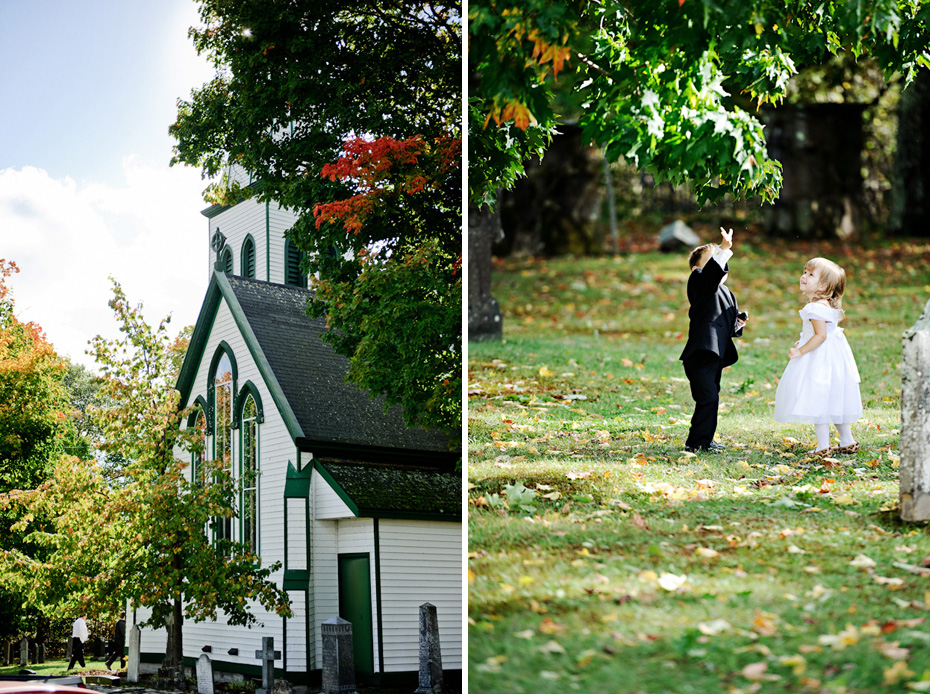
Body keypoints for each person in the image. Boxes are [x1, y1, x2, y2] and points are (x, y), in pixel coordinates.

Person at [774, 257, 862, 456]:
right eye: (804, 272)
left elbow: (820, 336)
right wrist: (804, 340)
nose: (803, 276)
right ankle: (847, 440)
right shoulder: (827, 305)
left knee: (818, 398)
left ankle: (823, 446)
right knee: (834, 398)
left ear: (823, 285)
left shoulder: (814, 308)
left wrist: (800, 351)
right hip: (834, 358)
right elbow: (821, 333)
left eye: (810, 274)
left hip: (819, 359)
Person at [680, 227, 748, 452]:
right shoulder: (698, 281)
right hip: (700, 353)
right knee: (708, 397)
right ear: (696, 268)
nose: (719, 265)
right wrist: (724, 249)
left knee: (711, 399)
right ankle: (697, 442)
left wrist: (737, 324)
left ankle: (705, 440)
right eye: (713, 260)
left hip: (716, 354)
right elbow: (711, 275)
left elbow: (725, 325)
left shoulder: (727, 293)